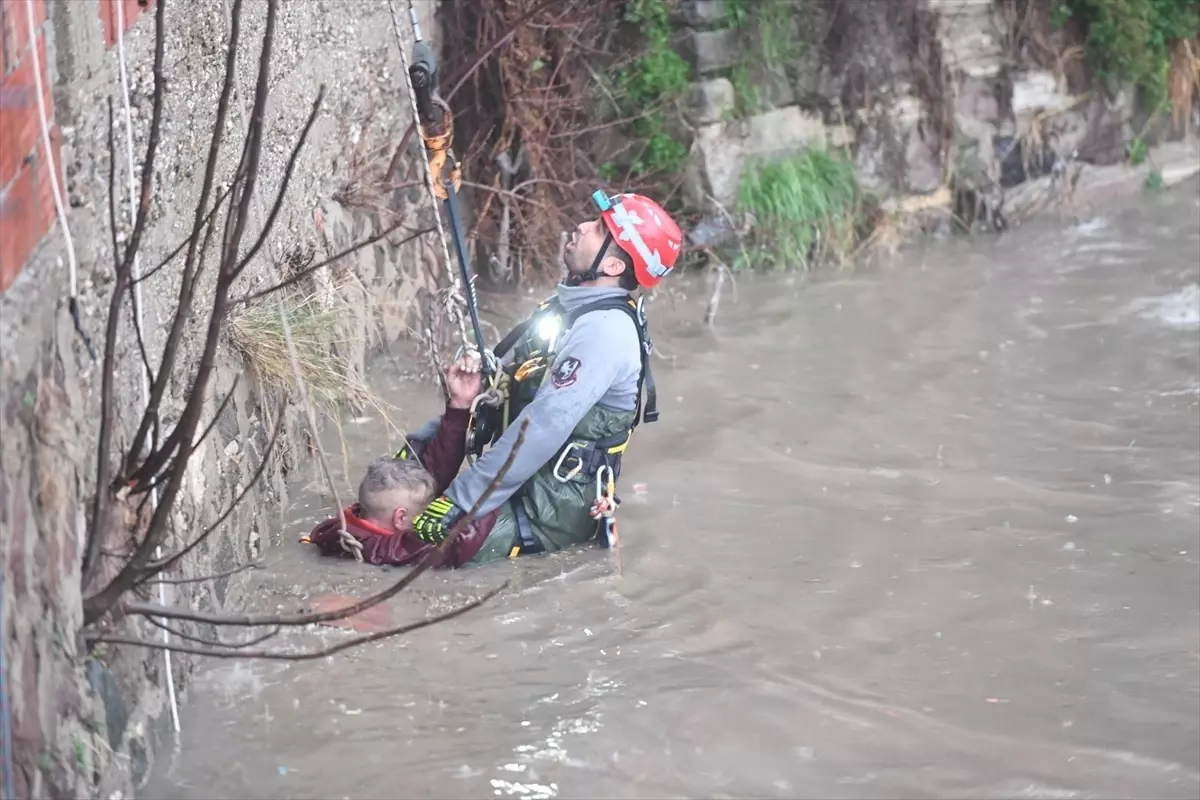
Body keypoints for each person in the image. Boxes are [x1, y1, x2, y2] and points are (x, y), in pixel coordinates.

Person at [400, 190, 684, 566]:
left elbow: (542, 427)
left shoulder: (604, 332)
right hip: (524, 480)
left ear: (614, 267)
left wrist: (460, 502)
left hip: (547, 510)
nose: (581, 226)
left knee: (417, 550)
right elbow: (519, 386)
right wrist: (470, 395)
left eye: (599, 228)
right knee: (398, 474)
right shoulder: (570, 308)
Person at [304, 355, 482, 566]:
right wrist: (499, 477)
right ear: (400, 518)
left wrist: (461, 405)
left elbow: (431, 476)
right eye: (427, 509)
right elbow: (457, 543)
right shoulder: (386, 551)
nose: (430, 510)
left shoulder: (339, 527)